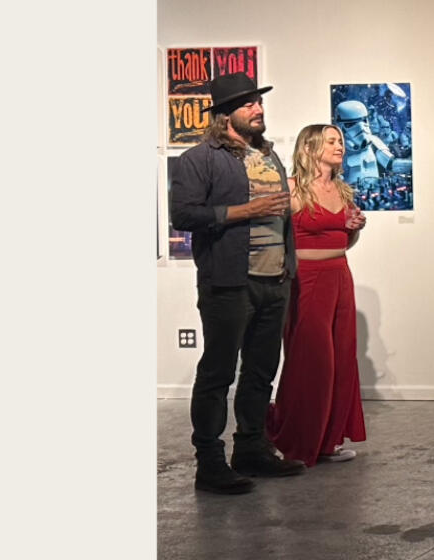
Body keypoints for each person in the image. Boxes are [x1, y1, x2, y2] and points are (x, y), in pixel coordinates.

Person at [169, 72, 307, 495]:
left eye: (259, 102)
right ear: (226, 114)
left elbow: (281, 215)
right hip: (229, 281)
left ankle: (251, 449)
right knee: (218, 372)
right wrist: (244, 211)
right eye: (249, 103)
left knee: (261, 371)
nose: (258, 108)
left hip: (274, 279)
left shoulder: (269, 155)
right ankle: (209, 462)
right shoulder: (200, 158)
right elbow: (184, 215)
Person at [267, 124, 368, 467]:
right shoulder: (293, 188)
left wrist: (355, 229)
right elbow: (276, 237)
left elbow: (344, 241)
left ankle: (327, 441)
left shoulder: (342, 189)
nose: (340, 146)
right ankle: (296, 441)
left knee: (340, 359)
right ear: (310, 148)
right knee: (311, 361)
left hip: (340, 276)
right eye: (331, 141)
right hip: (306, 279)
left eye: (340, 141)